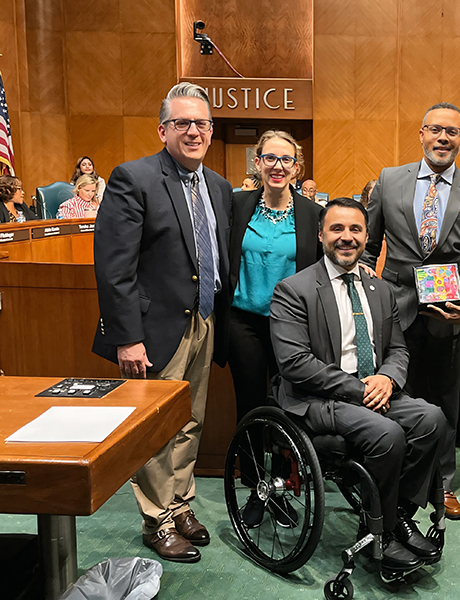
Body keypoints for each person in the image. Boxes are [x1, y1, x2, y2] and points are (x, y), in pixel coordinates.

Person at [92, 82, 232, 563]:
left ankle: (180, 501)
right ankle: (157, 519)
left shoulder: (216, 185)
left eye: (202, 123)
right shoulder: (134, 178)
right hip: (153, 331)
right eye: (183, 123)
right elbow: (114, 268)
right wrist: (126, 338)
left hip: (204, 321)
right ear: (163, 129)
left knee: (189, 420)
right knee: (154, 428)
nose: (193, 131)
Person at [270, 197, 447, 573]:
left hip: (373, 389)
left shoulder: (379, 290)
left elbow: (398, 348)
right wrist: (360, 390)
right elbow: (295, 363)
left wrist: (387, 377)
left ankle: (395, 514)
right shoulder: (293, 290)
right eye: (337, 229)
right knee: (387, 434)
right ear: (321, 235)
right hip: (318, 398)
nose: (346, 237)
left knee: (431, 419)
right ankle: (378, 533)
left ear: (367, 236)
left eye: (355, 229)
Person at [363, 102, 460, 520]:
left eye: (452, 132)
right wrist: (367, 301)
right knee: (389, 395)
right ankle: (388, 475)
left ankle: (441, 484)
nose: (443, 138)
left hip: (447, 314)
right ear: (421, 133)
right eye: (436, 130)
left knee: (443, 402)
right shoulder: (389, 180)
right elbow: (368, 249)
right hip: (393, 311)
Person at [228, 130, 322, 517]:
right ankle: (254, 489)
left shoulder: (312, 215)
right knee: (250, 408)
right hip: (242, 322)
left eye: (286, 160)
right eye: (270, 158)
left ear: (297, 167)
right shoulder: (237, 206)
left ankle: (282, 488)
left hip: (291, 328)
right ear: (258, 162)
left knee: (288, 409)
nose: (277, 166)